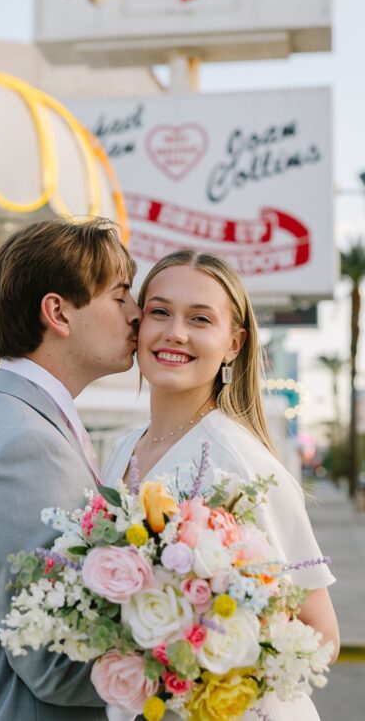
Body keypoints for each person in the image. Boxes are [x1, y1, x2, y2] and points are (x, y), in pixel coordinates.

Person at [0, 218, 141, 720]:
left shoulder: (17, 420)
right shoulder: (23, 444)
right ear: (58, 312)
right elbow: (55, 657)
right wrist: (198, 657)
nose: (137, 314)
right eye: (120, 295)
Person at [100, 250, 339, 720]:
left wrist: (214, 670)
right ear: (138, 325)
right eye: (160, 312)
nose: (175, 332)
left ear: (234, 343)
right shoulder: (121, 449)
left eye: (200, 319)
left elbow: (321, 633)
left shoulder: (243, 465)